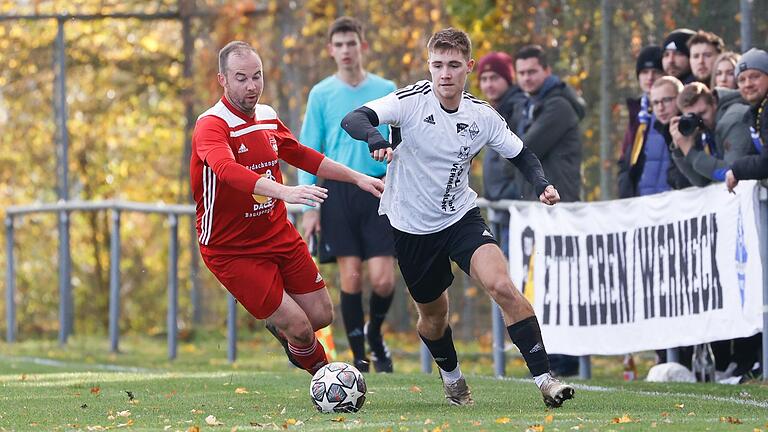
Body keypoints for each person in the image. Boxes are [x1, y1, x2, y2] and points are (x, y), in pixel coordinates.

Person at [341, 28, 575, 408]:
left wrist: (541, 184)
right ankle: (452, 378)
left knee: (501, 286)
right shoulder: (410, 102)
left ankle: (546, 380)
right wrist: (376, 139)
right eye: (437, 65)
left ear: (468, 67)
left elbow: (522, 154)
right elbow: (355, 118)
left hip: (460, 217)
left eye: (453, 65)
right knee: (434, 319)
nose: (445, 74)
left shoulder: (481, 114)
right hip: (412, 228)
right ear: (428, 66)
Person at [189, 41, 385, 376]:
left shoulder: (266, 116)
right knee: (300, 327)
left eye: (257, 76)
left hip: (276, 233)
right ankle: (330, 381)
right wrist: (285, 192)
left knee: (322, 315)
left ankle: (288, 333)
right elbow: (228, 171)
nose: (252, 86)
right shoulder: (212, 124)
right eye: (241, 78)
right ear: (222, 79)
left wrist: (358, 178)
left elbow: (301, 154)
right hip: (231, 249)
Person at [298, 16, 397, 374]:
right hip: (338, 192)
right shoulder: (321, 93)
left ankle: (375, 332)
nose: (345, 50)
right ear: (330, 51)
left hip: (379, 189)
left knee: (384, 279)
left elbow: (401, 137)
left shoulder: (386, 87)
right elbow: (308, 149)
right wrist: (309, 206)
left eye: (351, 43)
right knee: (351, 276)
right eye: (338, 45)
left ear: (362, 46)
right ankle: (361, 357)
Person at [477, 51, 526, 254]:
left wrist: (510, 192)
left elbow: (519, 156)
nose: (489, 84)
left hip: (515, 209)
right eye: (484, 79)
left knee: (512, 276)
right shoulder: (496, 110)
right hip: (499, 208)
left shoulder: (518, 108)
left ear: (508, 78)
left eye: (494, 78)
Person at [669, 82, 752, 185]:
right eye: (692, 116)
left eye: (702, 113)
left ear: (714, 103)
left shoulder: (732, 120)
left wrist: (691, 153)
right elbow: (701, 181)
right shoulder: (703, 127)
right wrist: (680, 150)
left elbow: (731, 173)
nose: (699, 120)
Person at [618, 45, 669, 198]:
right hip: (637, 199)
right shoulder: (637, 111)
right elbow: (625, 159)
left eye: (656, 72)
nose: (650, 77)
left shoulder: (670, 108)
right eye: (645, 72)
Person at [727, 48, 768, 189]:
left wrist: (737, 170)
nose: (748, 84)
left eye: (755, 76)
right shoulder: (755, 112)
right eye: (741, 80)